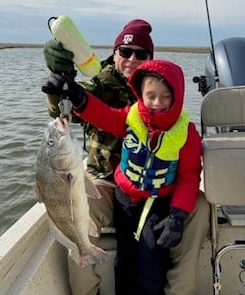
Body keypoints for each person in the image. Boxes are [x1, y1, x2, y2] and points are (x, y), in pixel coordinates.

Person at [42, 19, 210, 295]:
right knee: (74, 209)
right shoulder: (98, 83)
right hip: (106, 184)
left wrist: (178, 215)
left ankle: (181, 290)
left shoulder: (161, 93)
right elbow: (70, 111)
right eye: (125, 51)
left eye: (141, 54)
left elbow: (190, 174)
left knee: (200, 205)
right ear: (115, 52)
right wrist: (60, 81)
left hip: (158, 189)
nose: (131, 59)